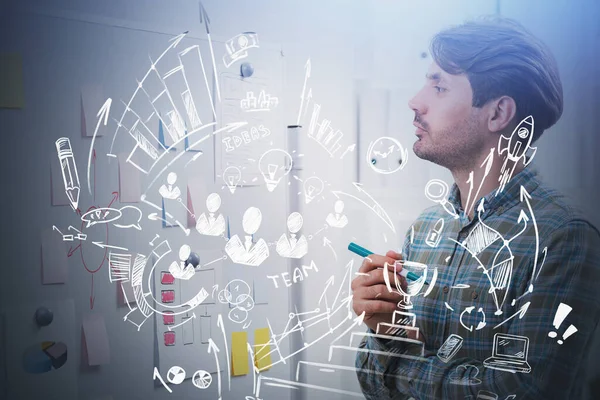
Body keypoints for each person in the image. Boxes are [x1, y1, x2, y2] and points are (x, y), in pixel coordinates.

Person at [352, 16, 600, 400]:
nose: (415, 101)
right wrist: (389, 330)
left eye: (439, 86)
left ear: (498, 113)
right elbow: (372, 383)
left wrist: (398, 367)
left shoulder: (563, 236)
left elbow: (518, 392)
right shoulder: (425, 229)